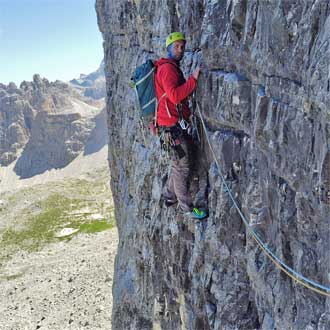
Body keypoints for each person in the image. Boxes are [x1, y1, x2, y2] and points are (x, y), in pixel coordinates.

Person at [154, 32, 207, 220]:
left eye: (182, 46)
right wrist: (193, 80)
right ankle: (186, 207)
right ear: (168, 48)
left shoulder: (170, 67)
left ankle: (169, 196)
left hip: (172, 126)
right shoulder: (167, 69)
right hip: (172, 128)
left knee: (178, 163)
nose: (180, 49)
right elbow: (175, 96)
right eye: (176, 46)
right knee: (182, 167)